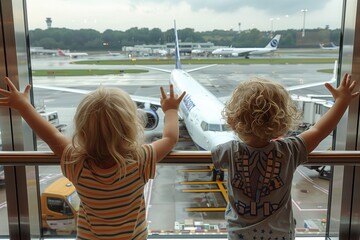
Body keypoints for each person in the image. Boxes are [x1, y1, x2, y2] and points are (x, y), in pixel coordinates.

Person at [0, 77, 185, 240]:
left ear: (81, 129)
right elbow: (170, 138)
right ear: (131, 127)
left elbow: (51, 136)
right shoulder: (140, 160)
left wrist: (23, 106)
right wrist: (170, 109)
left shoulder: (77, 163)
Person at [211, 73, 359, 240]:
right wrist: (342, 102)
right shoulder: (289, 150)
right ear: (282, 123)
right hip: (280, 234)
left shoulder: (227, 151)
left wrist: (173, 109)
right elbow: (319, 131)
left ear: (232, 121)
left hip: (239, 235)